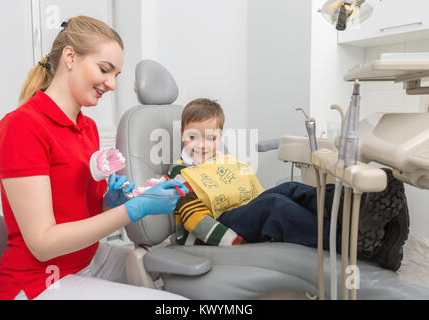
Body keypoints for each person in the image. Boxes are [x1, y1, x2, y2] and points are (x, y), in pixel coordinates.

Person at [0, 16, 188, 300]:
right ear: (70, 56)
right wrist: (134, 210)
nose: (111, 85)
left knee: (174, 281)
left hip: (89, 259)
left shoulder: (88, 128)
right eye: (104, 70)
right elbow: (43, 244)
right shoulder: (23, 126)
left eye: (116, 76)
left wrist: (110, 202)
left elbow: (81, 214)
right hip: (40, 281)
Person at [169, 98, 409, 272]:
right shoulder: (180, 174)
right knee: (276, 206)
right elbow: (195, 219)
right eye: (193, 137)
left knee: (288, 189)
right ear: (181, 134)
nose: (201, 145)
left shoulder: (222, 161)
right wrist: (236, 243)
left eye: (210, 138)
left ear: (220, 137)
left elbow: (253, 194)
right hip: (214, 230)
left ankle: (352, 203)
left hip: (238, 214)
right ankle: (348, 240)